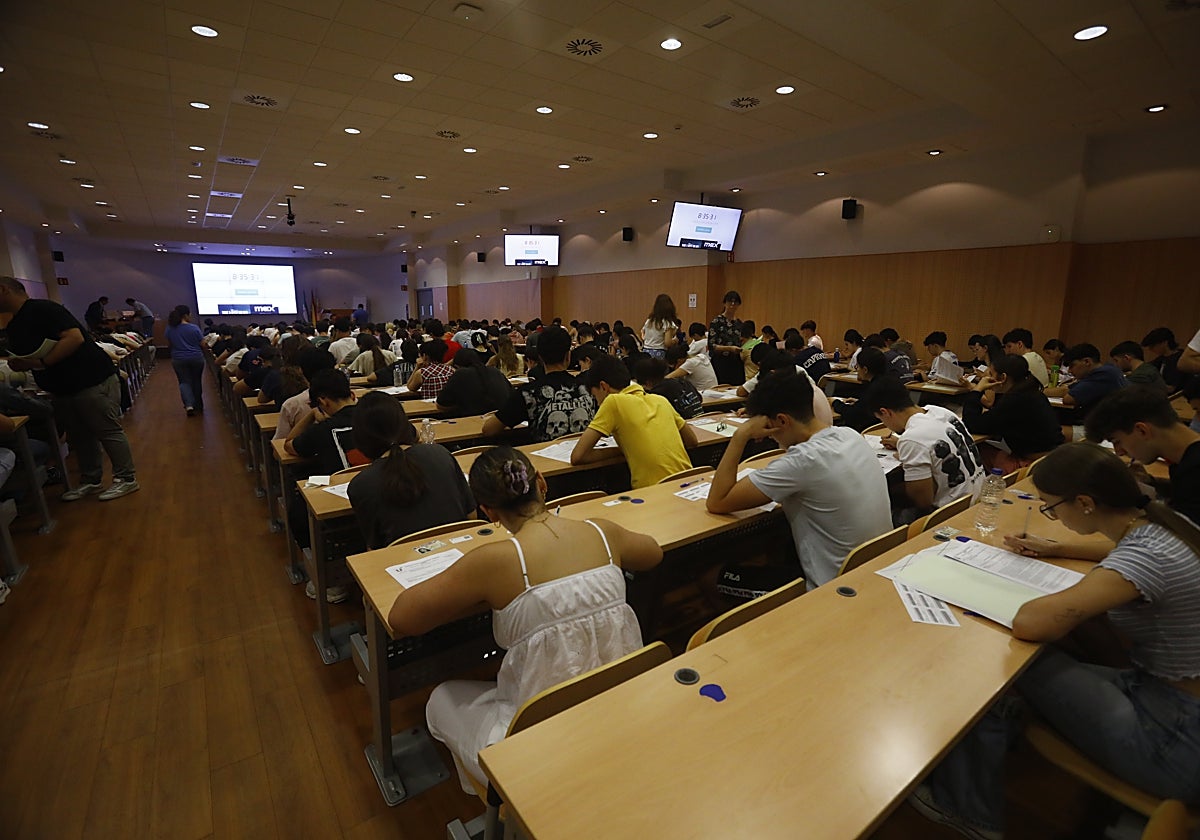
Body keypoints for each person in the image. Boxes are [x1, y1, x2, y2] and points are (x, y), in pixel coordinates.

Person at [911, 443, 1200, 840]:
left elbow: (1031, 622)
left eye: (1051, 507)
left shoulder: (1141, 560)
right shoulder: (1164, 525)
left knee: (995, 667)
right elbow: (1115, 548)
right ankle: (995, 743)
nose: (1052, 515)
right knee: (1049, 656)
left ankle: (969, 812)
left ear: (1084, 503)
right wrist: (1059, 547)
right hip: (1168, 701)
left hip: (1174, 740)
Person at [399, 446, 661, 792]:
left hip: (540, 742)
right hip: (621, 703)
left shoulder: (492, 561)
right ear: (541, 482)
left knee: (442, 698)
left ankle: (498, 800)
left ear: (488, 512)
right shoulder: (602, 532)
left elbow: (403, 618)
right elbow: (653, 554)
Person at [706, 368, 892, 589]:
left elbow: (717, 501)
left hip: (835, 587)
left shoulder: (802, 461)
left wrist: (740, 436)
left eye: (769, 429)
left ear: (782, 420)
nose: (770, 437)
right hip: (877, 566)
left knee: (710, 578)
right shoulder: (850, 435)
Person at [0, 277, 138, 501]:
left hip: (90, 379)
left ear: (3, 290)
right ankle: (91, 480)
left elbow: (74, 338)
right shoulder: (15, 323)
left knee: (107, 430)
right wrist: (23, 363)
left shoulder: (43, 309)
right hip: (61, 387)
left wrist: (43, 362)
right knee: (80, 436)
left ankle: (126, 478)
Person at [347, 392, 476, 550]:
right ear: (406, 425)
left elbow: (374, 549)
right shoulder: (440, 453)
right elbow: (471, 516)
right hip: (462, 551)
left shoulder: (361, 485)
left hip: (403, 562)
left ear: (360, 438)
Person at [866, 375, 985, 522]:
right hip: (976, 496)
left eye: (881, 419)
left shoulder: (912, 438)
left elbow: (923, 502)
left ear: (885, 412)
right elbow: (931, 442)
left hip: (951, 514)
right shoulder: (941, 412)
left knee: (879, 505)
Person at [571, 354, 698, 488]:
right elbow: (692, 441)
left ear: (603, 386)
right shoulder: (660, 400)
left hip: (652, 490)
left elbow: (578, 456)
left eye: (595, 395)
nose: (597, 402)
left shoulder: (613, 401)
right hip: (688, 485)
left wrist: (621, 449)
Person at [1085, 386, 1200, 525]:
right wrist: (1151, 482)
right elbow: (1186, 494)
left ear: (1142, 431)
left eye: (1117, 442)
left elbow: (1183, 531)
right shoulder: (1184, 461)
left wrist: (1138, 499)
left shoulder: (1194, 469)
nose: (1119, 452)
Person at [484, 326, 594, 442]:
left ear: (540, 357)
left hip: (544, 452)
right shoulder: (588, 388)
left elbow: (489, 430)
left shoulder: (528, 393)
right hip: (586, 450)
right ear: (568, 356)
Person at [961, 354, 1064, 473]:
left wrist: (977, 390)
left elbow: (971, 424)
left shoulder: (1014, 400)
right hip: (1054, 458)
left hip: (1033, 465)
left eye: (991, 374)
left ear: (1003, 377)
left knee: (971, 448)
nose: (986, 378)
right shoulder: (1032, 392)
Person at [284, 368, 362, 474]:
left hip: (342, 483)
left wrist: (312, 413)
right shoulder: (375, 414)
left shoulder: (322, 429)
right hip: (378, 480)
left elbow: (288, 445)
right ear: (352, 395)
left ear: (323, 401)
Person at [1044, 343, 1128, 417]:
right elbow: (1066, 389)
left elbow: (1068, 399)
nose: (1069, 371)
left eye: (1072, 365)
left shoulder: (1104, 374)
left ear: (1087, 362)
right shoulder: (1104, 371)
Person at [831, 347, 896, 432]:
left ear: (865, 370)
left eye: (857, 367)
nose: (857, 370)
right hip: (885, 429)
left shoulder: (873, 389)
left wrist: (835, 403)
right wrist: (859, 402)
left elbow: (852, 413)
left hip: (866, 431)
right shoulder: (890, 382)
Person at [436, 348, 512, 418]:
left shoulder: (461, 374)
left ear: (457, 366)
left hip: (474, 419)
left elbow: (441, 405)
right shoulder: (495, 371)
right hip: (502, 418)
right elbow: (511, 394)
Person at [164, 304, 205, 416]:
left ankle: (189, 405)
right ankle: (198, 405)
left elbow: (169, 345)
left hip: (178, 359)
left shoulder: (169, 329)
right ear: (185, 315)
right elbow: (203, 344)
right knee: (197, 381)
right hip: (196, 358)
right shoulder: (194, 328)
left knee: (184, 381)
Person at [634, 356, 702, 419]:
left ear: (647, 382)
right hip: (700, 421)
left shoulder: (656, 394)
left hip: (682, 425)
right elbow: (700, 399)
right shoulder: (683, 382)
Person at [708, 291, 744, 386]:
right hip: (720, 361)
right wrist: (729, 348)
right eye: (730, 301)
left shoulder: (739, 323)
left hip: (736, 361)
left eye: (735, 302)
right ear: (724, 303)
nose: (732, 304)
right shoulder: (717, 321)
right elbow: (712, 346)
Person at [1140, 327, 1193, 391]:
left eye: (1153, 346)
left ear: (1165, 343)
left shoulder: (1179, 359)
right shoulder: (1162, 358)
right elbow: (1146, 367)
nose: (1150, 349)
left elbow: (1171, 388)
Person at [641, 294, 677, 359]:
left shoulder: (649, 320)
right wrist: (674, 341)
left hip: (646, 351)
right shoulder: (667, 323)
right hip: (659, 352)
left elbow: (642, 332)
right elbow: (667, 343)